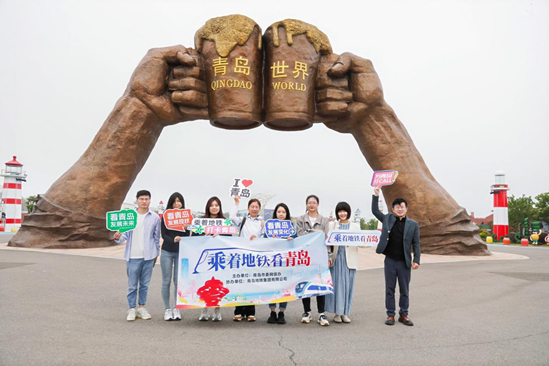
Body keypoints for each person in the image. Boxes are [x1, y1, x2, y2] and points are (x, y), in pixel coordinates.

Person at [372, 186, 420, 326]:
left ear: (406, 209)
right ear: (392, 209)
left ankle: (404, 314)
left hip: (405, 262)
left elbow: (416, 243)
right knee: (390, 288)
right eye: (397, 207)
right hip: (390, 260)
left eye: (402, 207)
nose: (399, 209)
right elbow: (375, 211)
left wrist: (416, 259)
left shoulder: (413, 224)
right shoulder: (387, 219)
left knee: (404, 289)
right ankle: (390, 314)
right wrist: (376, 195)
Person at [114, 190, 161, 321]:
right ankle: (131, 309)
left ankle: (141, 307)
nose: (144, 201)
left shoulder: (155, 218)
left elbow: (156, 237)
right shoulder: (129, 216)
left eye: (146, 199)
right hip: (133, 256)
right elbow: (124, 235)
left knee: (145, 284)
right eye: (141, 199)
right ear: (136, 200)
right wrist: (117, 237)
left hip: (148, 256)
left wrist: (156, 253)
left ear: (150, 200)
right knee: (132, 285)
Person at [296, 194, 331, 326]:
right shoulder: (300, 219)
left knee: (320, 284)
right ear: (306, 204)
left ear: (318, 204)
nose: (311, 205)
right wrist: (315, 232)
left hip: (320, 256)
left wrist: (329, 256)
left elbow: (327, 239)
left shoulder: (324, 220)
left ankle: (321, 313)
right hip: (305, 257)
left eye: (314, 202)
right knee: (305, 283)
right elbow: (300, 235)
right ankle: (307, 312)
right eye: (309, 202)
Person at [230, 195, 264, 322]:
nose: (254, 209)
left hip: (255, 256)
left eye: (256, 207)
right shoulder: (243, 219)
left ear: (259, 209)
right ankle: (238, 311)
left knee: (252, 283)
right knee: (240, 282)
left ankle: (250, 312)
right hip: (242, 255)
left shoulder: (262, 222)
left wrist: (257, 239)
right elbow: (232, 217)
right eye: (252, 206)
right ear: (248, 208)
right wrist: (236, 203)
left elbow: (266, 238)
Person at [325, 201, 360, 323]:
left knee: (348, 286)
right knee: (337, 286)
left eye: (344, 211)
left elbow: (362, 242)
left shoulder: (355, 227)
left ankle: (345, 313)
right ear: (337, 213)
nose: (342, 213)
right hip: (336, 260)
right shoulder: (332, 225)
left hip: (349, 260)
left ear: (348, 212)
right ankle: (337, 313)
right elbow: (327, 241)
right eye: (340, 211)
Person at [160, 192, 190, 321]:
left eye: (179, 201)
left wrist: (187, 229)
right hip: (167, 250)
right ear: (171, 203)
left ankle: (177, 308)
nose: (177, 203)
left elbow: (190, 234)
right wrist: (173, 239)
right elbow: (164, 234)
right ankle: (167, 309)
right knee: (166, 281)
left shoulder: (187, 217)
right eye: (175, 201)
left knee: (178, 281)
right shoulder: (166, 216)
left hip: (181, 252)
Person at [265, 203, 296, 325]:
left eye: (283, 212)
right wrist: (269, 239)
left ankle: (282, 312)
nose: (281, 214)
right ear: (275, 214)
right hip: (272, 262)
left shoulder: (291, 228)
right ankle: (272, 312)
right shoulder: (269, 228)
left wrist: (291, 239)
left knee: (284, 286)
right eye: (279, 212)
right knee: (272, 286)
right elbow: (262, 242)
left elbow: (297, 242)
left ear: (287, 214)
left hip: (286, 263)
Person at [198, 196, 227, 322]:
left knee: (218, 284)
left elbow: (230, 236)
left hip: (219, 258)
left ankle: (217, 310)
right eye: (212, 205)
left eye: (216, 205)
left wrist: (220, 235)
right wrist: (204, 235)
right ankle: (204, 310)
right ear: (208, 207)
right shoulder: (201, 221)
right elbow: (194, 237)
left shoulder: (224, 221)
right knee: (204, 283)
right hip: (205, 257)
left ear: (219, 207)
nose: (214, 207)